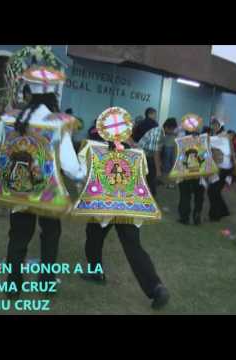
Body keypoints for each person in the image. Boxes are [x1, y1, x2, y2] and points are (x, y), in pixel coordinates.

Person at [0, 66, 85, 300]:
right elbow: (69, 166)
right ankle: (46, 285)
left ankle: (12, 287)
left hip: (18, 190)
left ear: (29, 92)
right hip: (47, 194)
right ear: (54, 95)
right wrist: (82, 172)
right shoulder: (58, 122)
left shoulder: (13, 118)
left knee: (17, 237)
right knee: (50, 236)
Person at [72, 107, 169, 309]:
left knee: (93, 234)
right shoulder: (136, 153)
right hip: (128, 209)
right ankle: (156, 287)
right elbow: (144, 174)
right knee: (133, 246)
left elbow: (83, 176)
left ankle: (95, 272)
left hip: (105, 207)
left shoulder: (97, 151)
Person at [169, 114, 217, 226]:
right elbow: (209, 156)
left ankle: (184, 217)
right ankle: (197, 216)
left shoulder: (180, 141)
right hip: (200, 173)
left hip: (185, 172)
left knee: (185, 195)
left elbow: (177, 157)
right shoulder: (204, 140)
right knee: (199, 196)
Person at [137, 117, 178, 196]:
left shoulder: (162, 132)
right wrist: (158, 170)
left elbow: (157, 152)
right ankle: (149, 196)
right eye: (172, 130)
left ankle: (150, 193)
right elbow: (156, 153)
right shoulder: (157, 133)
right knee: (150, 178)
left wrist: (159, 163)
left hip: (148, 156)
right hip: (143, 157)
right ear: (166, 127)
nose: (172, 132)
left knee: (151, 178)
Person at [207, 118, 236, 222]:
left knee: (213, 191)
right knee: (215, 191)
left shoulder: (220, 137)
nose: (213, 126)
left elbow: (207, 142)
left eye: (215, 125)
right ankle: (222, 211)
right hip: (225, 168)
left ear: (220, 126)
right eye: (212, 124)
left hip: (221, 168)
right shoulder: (224, 136)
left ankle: (216, 214)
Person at [161, 120, 177, 189]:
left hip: (173, 147)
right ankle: (167, 183)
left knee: (173, 166)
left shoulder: (175, 131)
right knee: (166, 166)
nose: (173, 130)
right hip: (167, 147)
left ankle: (171, 183)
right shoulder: (163, 130)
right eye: (172, 128)